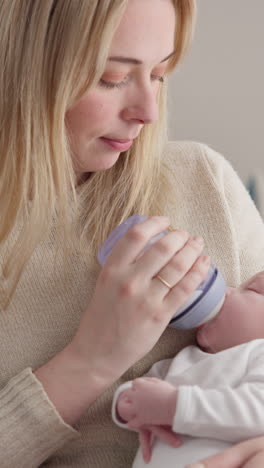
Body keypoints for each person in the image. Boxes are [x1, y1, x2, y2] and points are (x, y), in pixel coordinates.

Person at [0, 1, 264, 467]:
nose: (148, 111)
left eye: (160, 74)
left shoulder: (204, 183)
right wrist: (91, 359)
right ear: (23, 67)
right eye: (113, 77)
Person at [113, 270, 264, 467]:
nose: (227, 291)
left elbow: (257, 412)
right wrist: (125, 403)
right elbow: (142, 388)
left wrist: (173, 406)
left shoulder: (258, 353)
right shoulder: (184, 358)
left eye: (252, 290)